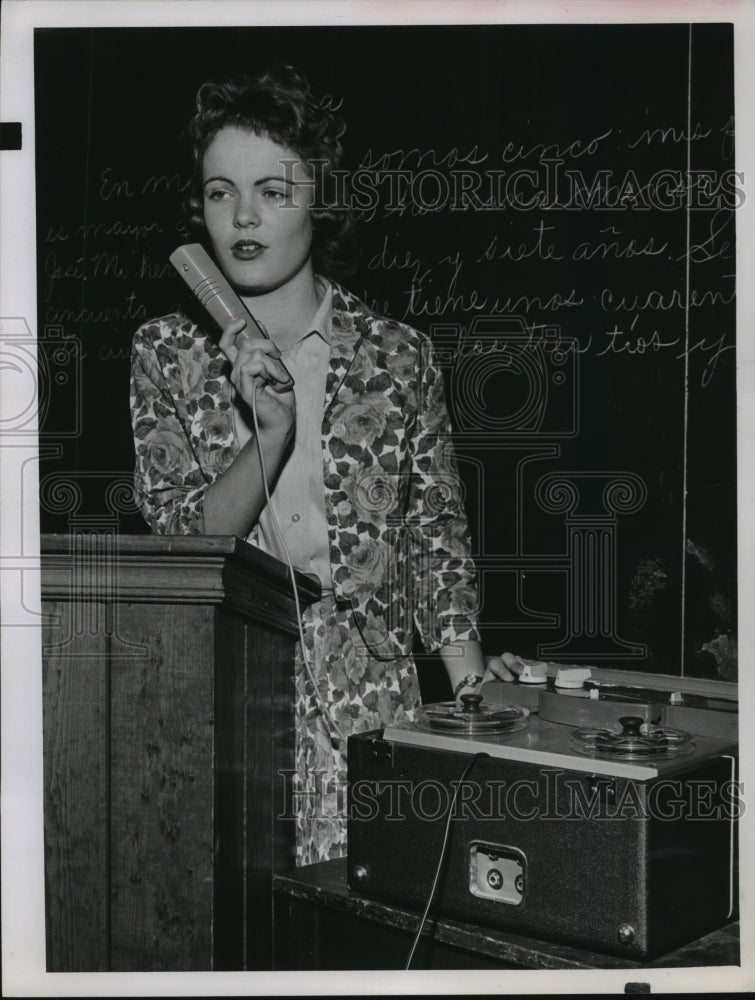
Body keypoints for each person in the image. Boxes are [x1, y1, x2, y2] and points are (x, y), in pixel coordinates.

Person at [130, 65, 516, 866]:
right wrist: (268, 436)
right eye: (218, 192)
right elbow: (180, 551)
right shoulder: (164, 354)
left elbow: (434, 542)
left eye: (273, 192)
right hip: (224, 703)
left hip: (371, 708)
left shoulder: (397, 355)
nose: (241, 216)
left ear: (320, 202)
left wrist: (479, 699)